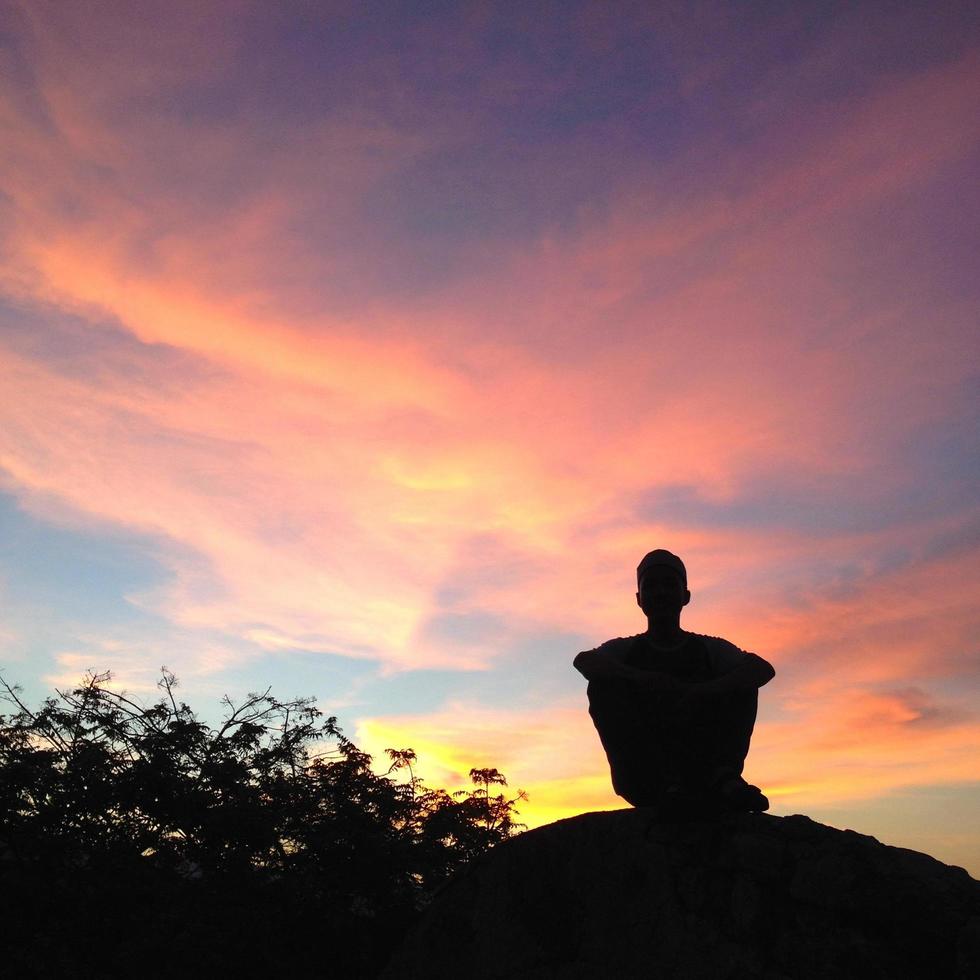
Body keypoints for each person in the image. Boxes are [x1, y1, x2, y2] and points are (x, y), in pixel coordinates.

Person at [574, 549, 774, 817]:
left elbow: (761, 670)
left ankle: (723, 776)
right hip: (644, 779)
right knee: (602, 684)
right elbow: (584, 662)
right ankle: (662, 785)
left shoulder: (709, 649)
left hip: (705, 769)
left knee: (741, 679)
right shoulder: (625, 650)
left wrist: (700, 691)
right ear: (639, 599)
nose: (660, 593)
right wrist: (642, 678)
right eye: (651, 586)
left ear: (686, 595)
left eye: (670, 584)